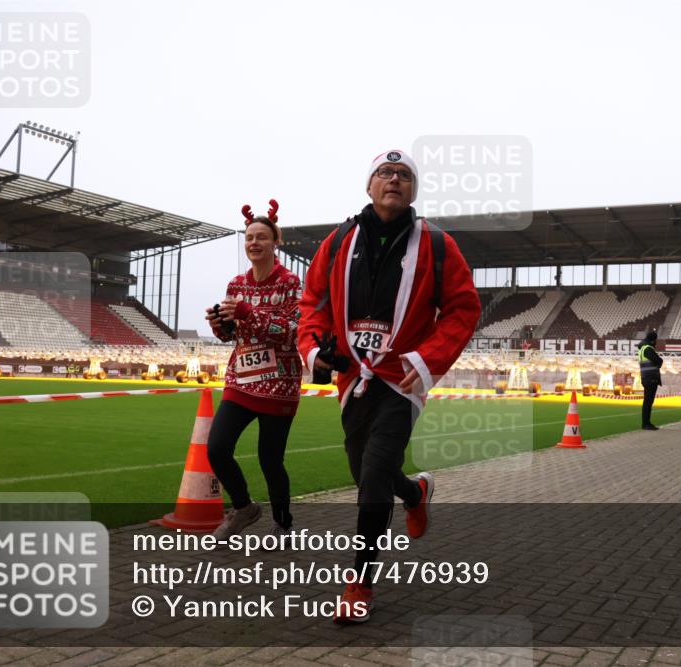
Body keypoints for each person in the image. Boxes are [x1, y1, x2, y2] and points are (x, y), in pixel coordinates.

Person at [298, 149, 481, 623]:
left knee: (373, 475)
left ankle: (359, 583)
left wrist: (427, 358)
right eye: (385, 172)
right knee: (366, 476)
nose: (394, 179)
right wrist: (315, 347)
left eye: (403, 175)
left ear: (413, 190)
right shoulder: (339, 240)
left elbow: (464, 308)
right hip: (351, 379)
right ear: (369, 186)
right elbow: (312, 301)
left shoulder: (438, 245)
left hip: (401, 380)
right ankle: (416, 493)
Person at [204, 200, 302, 541]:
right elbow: (233, 334)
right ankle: (244, 508)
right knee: (216, 448)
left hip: (280, 383)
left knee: (270, 460)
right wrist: (220, 324)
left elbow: (294, 332)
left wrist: (250, 314)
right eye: (248, 238)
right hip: (242, 379)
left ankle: (283, 524)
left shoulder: (291, 283)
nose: (254, 243)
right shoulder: (236, 284)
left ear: (276, 242)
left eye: (261, 237)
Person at [636, 330, 663, 430]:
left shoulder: (642, 348)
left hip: (646, 377)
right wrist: (659, 363)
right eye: (656, 340)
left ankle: (646, 423)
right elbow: (659, 361)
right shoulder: (648, 349)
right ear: (653, 340)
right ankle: (646, 423)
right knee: (648, 402)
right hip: (651, 378)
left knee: (647, 401)